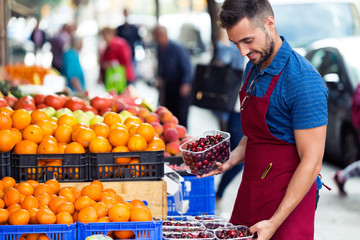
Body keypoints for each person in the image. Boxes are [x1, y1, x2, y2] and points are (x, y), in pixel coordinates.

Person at [201, 0, 328, 239]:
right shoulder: (252, 68)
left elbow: (312, 163)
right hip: (251, 191)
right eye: (235, 43)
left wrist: (274, 222)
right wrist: (229, 160)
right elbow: (254, 134)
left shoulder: (303, 81)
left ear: (270, 23)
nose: (242, 52)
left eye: (247, 41)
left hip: (286, 206)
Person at [153, 25, 193, 128]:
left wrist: (186, 83)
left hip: (180, 85)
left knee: (181, 116)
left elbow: (187, 66)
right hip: (168, 86)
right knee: (169, 115)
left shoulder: (177, 47)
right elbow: (160, 66)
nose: (158, 39)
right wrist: (159, 77)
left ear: (164, 35)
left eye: (159, 36)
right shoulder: (159, 48)